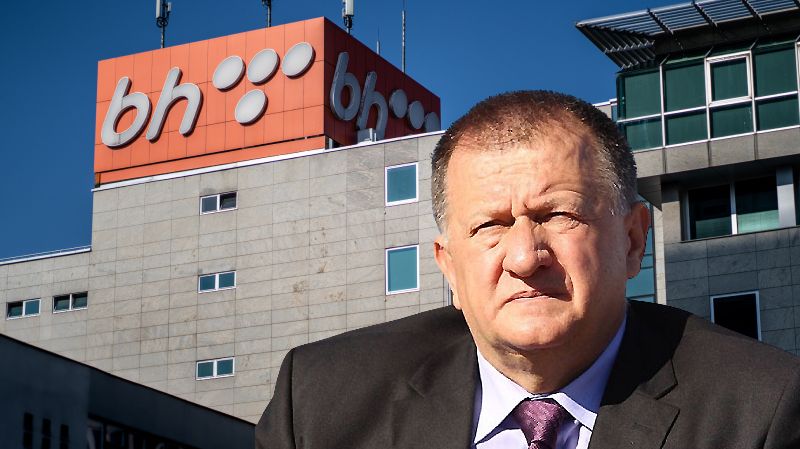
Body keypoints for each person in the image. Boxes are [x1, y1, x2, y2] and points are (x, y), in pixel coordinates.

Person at [256, 91, 800, 449]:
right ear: (449, 268)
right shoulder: (321, 405)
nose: (523, 257)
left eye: (559, 215)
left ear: (633, 241)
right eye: (489, 226)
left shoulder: (762, 411)